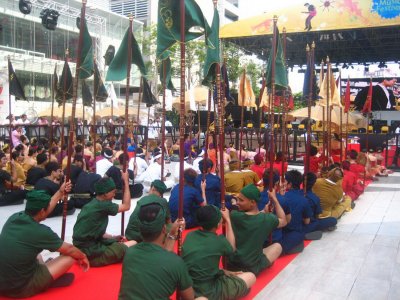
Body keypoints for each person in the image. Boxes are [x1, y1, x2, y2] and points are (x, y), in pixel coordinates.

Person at [0, 187, 89, 298]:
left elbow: (45, 208)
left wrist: (60, 192)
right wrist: (83, 256)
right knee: (70, 257)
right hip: (19, 288)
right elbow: (70, 249)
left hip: (3, 283)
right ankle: (44, 280)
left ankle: (44, 272)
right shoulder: (40, 231)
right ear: (42, 211)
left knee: (36, 252)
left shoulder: (14, 217)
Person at [119, 203, 194, 300]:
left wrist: (172, 234)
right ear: (163, 229)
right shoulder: (175, 262)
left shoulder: (130, 253)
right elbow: (189, 297)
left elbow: (161, 258)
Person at [182, 205, 256, 300]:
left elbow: (200, 264)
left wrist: (223, 272)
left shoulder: (190, 235)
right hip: (208, 290)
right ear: (217, 225)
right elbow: (232, 248)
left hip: (188, 289)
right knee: (251, 277)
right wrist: (228, 220)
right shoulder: (219, 241)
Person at [72, 175, 136, 267]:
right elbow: (126, 206)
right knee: (132, 244)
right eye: (113, 192)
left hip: (80, 248)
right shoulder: (104, 205)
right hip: (90, 254)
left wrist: (112, 238)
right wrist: (126, 182)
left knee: (113, 241)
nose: (114, 195)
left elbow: (90, 231)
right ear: (105, 193)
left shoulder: (92, 203)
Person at [227, 184, 287, 275]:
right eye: (238, 199)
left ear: (252, 202)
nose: (237, 202)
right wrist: (275, 199)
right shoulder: (267, 219)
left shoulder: (235, 215)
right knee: (277, 246)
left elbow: (251, 216)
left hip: (232, 265)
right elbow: (283, 221)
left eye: (241, 200)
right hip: (252, 266)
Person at [280, 170, 313, 254]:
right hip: (294, 231)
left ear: (290, 184)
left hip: (280, 231)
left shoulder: (280, 196)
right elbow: (307, 221)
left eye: (284, 181)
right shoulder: (304, 199)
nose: (282, 183)